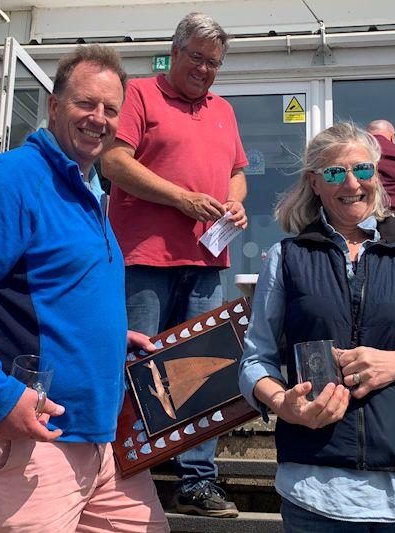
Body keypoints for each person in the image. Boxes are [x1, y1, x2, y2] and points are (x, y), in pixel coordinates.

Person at [0, 45, 169, 532]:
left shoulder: (90, 192)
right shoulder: (14, 179)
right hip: (22, 445)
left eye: (111, 110)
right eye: (85, 103)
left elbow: (51, 290)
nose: (99, 118)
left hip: (98, 442)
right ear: (53, 105)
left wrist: (112, 339)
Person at [238, 123, 395, 532]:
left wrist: (393, 365)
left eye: (363, 169)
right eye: (335, 173)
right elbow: (256, 361)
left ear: (377, 174)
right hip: (315, 491)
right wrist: (283, 404)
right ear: (314, 183)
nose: (351, 183)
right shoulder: (286, 257)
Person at [100, 12, 247, 519]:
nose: (205, 70)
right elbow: (114, 163)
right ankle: (116, 470)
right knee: (132, 364)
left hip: (206, 259)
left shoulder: (224, 109)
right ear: (176, 52)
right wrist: (183, 200)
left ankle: (197, 482)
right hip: (144, 256)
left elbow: (236, 174)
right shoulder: (140, 93)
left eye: (215, 63)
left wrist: (235, 202)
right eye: (198, 58)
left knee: (204, 370)